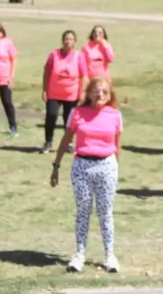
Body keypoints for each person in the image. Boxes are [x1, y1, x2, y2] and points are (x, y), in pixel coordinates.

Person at [50, 77, 122, 273]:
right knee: (83, 211)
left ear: (109, 96)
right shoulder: (77, 113)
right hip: (81, 166)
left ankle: (110, 255)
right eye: (96, 90)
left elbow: (117, 146)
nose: (100, 94)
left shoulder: (115, 115)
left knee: (105, 212)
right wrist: (56, 165)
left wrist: (116, 170)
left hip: (107, 166)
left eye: (105, 92)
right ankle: (80, 254)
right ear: (89, 93)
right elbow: (66, 140)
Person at [42, 30, 89, 153]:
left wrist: (82, 93)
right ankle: (48, 142)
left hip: (71, 94)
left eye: (70, 39)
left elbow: (84, 76)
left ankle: (68, 143)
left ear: (75, 42)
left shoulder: (79, 56)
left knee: (69, 120)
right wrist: (45, 89)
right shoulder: (54, 55)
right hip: (54, 93)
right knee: (51, 116)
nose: (67, 41)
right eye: (66, 39)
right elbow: (47, 72)